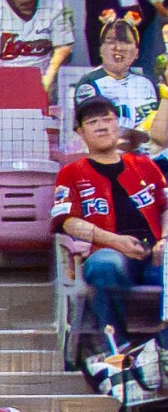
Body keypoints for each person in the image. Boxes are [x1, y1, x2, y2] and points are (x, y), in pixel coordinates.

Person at [55, 95, 167, 370]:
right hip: (107, 252)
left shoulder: (144, 165)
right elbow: (67, 222)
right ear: (80, 133)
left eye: (108, 119)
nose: (103, 126)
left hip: (155, 254)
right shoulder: (72, 172)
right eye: (93, 122)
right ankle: (120, 348)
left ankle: (163, 350)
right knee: (106, 265)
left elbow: (166, 206)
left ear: (118, 125)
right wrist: (115, 241)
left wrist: (164, 240)